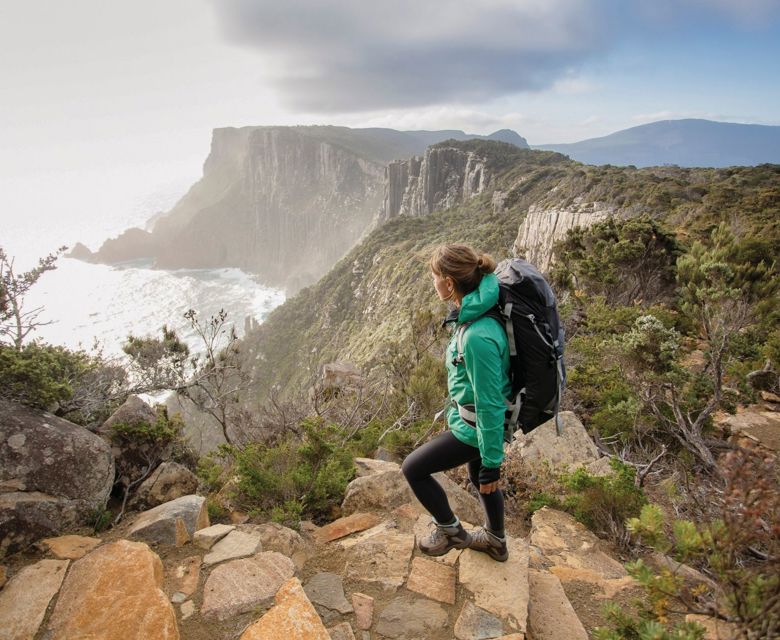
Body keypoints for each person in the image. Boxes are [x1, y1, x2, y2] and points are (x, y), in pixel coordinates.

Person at [401, 243, 512, 562]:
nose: (432, 283)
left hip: (478, 427)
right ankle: (496, 540)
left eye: (434, 277)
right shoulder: (476, 309)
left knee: (414, 468)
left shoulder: (478, 335)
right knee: (479, 478)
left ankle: (450, 531)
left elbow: (490, 404)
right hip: (473, 422)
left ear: (449, 283)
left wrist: (493, 462)